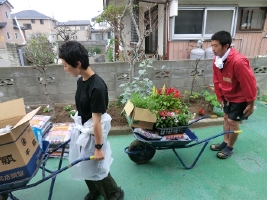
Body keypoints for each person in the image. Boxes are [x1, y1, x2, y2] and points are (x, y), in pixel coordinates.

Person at [59, 41, 124, 200]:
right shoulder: (81, 81)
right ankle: (95, 190)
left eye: (66, 65)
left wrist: (99, 147)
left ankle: (114, 193)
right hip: (84, 130)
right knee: (83, 161)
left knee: (96, 165)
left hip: (95, 133)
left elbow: (97, 122)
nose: (65, 69)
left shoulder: (97, 87)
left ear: (78, 63)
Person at [210, 30, 257, 159]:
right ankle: (225, 142)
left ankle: (230, 147)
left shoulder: (238, 62)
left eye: (216, 46)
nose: (213, 49)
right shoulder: (217, 60)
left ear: (226, 46)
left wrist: (251, 102)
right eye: (212, 46)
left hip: (240, 97)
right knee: (226, 117)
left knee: (233, 121)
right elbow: (217, 80)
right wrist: (220, 97)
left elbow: (249, 83)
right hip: (227, 95)